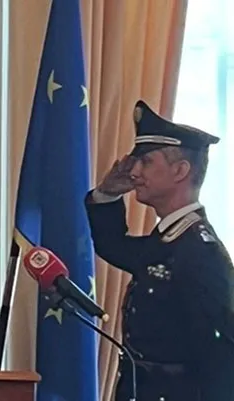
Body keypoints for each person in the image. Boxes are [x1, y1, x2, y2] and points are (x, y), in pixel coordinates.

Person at [86, 100, 234, 400]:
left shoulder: (200, 253)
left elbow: (221, 357)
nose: (134, 171)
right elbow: (114, 247)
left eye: (146, 162)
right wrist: (107, 195)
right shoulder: (169, 240)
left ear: (180, 170)